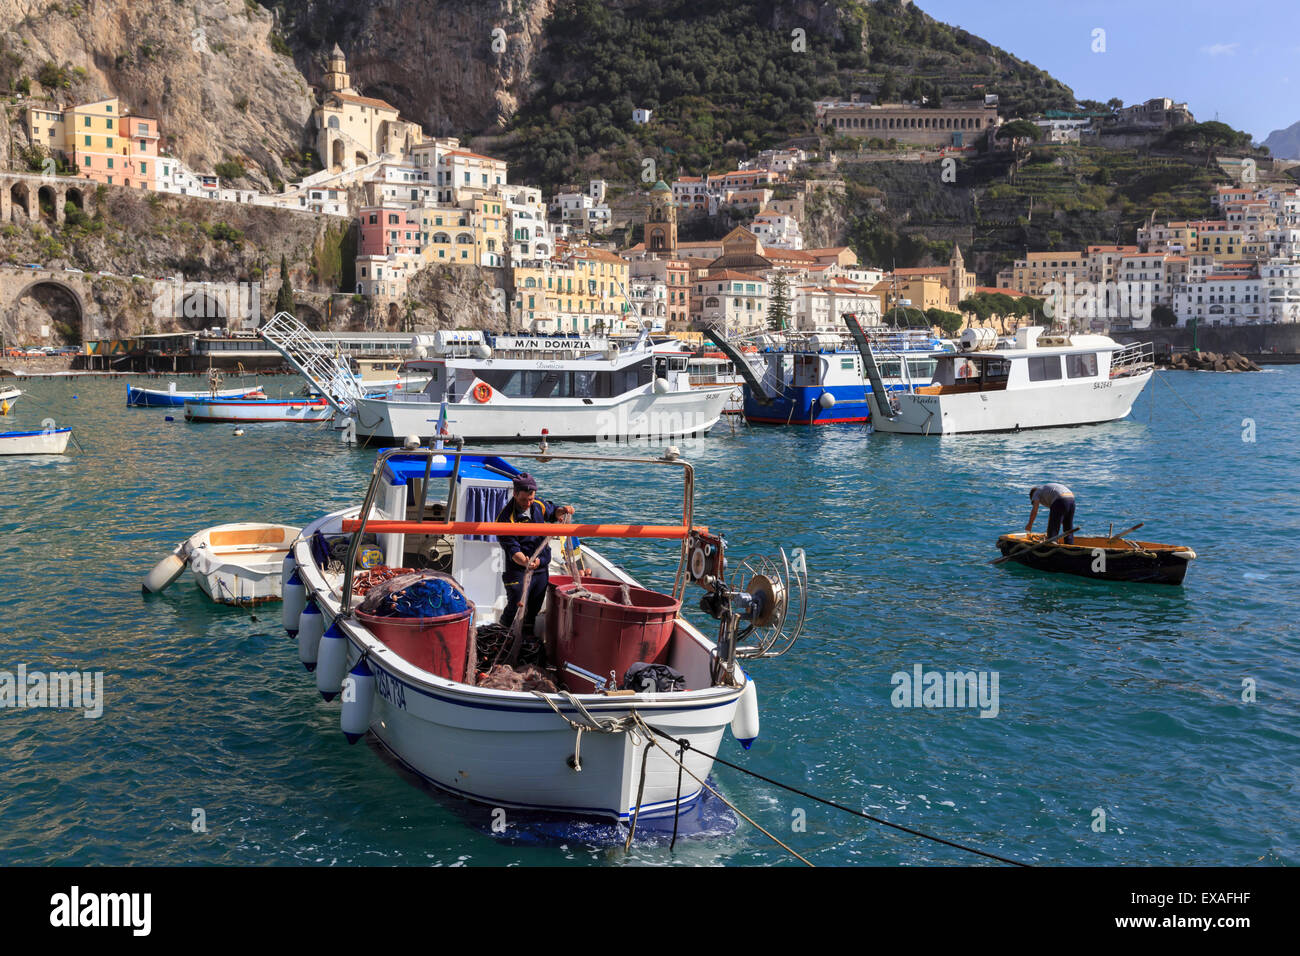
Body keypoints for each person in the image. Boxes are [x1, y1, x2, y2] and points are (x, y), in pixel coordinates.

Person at [495, 473, 575, 634]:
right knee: (517, 604)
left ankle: (528, 637)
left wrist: (563, 510)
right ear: (515, 494)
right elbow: (512, 548)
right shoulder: (505, 518)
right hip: (518, 570)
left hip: (541, 568)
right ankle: (501, 633)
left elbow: (553, 512)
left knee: (535, 605)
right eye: (523, 500)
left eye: (531, 499)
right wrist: (526, 562)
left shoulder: (538, 505)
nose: (528, 503)